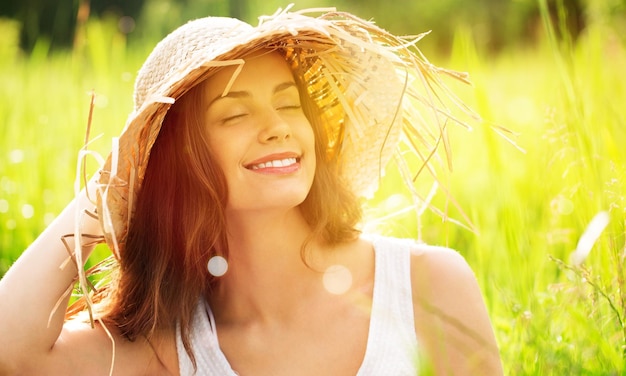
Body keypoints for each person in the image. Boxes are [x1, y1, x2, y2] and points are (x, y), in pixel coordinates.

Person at [0, 6, 503, 375]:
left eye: (289, 105)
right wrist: (109, 190)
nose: (277, 127)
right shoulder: (168, 349)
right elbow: (11, 352)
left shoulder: (426, 285)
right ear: (181, 162)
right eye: (235, 114)